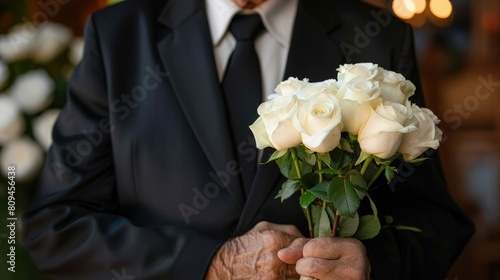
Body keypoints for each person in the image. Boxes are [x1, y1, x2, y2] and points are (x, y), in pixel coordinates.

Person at [22, 0, 474, 279]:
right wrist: (206, 265)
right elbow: (55, 226)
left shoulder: (377, 37)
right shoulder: (119, 35)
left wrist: (372, 264)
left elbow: (435, 223)